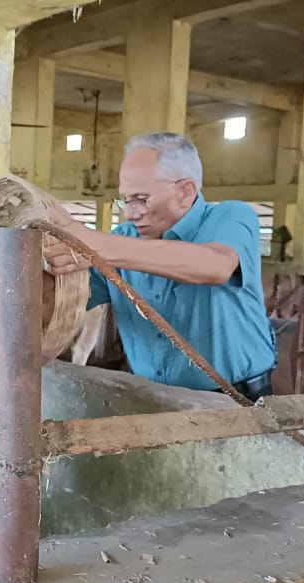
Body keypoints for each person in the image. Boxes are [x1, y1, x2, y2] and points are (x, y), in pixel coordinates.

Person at [44, 132, 277, 401]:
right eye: (126, 200)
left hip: (236, 400)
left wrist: (97, 246)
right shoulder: (123, 238)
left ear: (185, 192)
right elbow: (63, 298)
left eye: (141, 199)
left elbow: (216, 265)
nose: (131, 213)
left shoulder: (230, 217)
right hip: (153, 399)